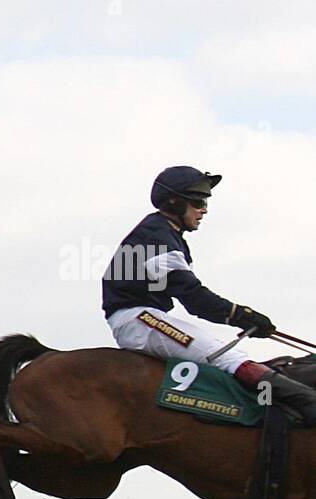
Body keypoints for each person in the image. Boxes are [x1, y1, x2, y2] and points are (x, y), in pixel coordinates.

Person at [102, 165, 316, 425]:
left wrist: (241, 317)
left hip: (145, 315)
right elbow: (194, 299)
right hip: (139, 319)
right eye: (197, 202)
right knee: (227, 357)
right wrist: (242, 316)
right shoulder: (155, 236)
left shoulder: (164, 232)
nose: (203, 209)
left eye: (204, 202)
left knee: (223, 353)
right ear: (174, 201)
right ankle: (307, 403)